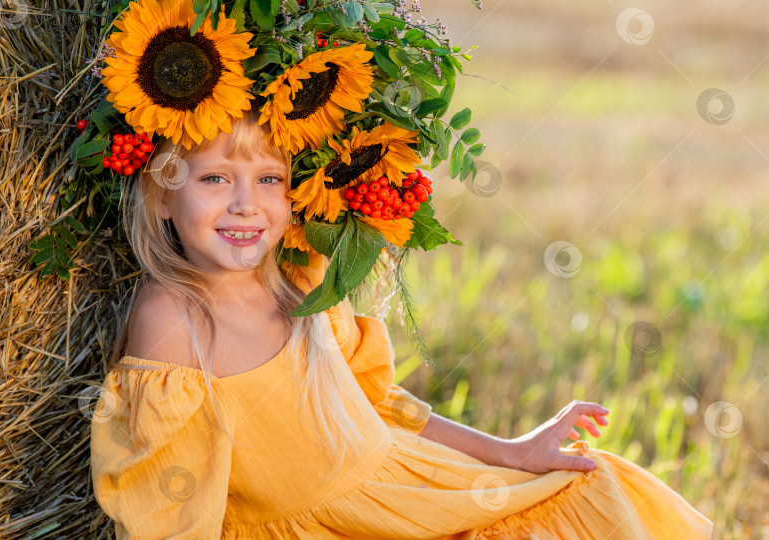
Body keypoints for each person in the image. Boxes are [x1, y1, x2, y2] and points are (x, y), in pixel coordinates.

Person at [89, 107, 714, 539]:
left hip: (409, 496)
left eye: (270, 179)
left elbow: (380, 408)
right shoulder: (174, 319)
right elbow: (173, 511)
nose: (247, 203)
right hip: (334, 530)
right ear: (161, 194)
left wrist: (512, 452)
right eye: (216, 178)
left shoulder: (301, 277)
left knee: (590, 491)